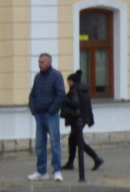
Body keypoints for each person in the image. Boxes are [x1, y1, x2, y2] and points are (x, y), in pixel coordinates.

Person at [28, 53, 66, 182]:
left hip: (51, 115)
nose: (39, 64)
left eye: (42, 62)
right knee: (40, 144)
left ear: (49, 62)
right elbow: (32, 94)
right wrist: (33, 109)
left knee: (55, 143)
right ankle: (41, 171)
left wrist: (52, 110)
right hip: (39, 115)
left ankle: (57, 171)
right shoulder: (38, 77)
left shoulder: (56, 75)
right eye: (39, 62)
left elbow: (61, 94)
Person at [61, 70, 103, 172]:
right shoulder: (84, 89)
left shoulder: (74, 90)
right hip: (83, 118)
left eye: (69, 81)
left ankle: (96, 158)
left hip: (77, 118)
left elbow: (75, 103)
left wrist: (63, 99)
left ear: (72, 81)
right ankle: (70, 163)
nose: (68, 83)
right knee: (72, 140)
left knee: (78, 141)